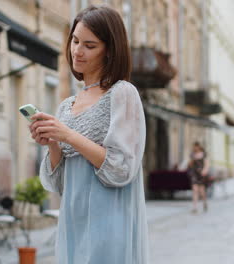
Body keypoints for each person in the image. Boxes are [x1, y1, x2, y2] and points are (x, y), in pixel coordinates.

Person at [30, 5, 148, 264]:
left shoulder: (122, 93)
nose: (77, 51)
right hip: (73, 224)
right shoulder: (66, 105)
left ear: (110, 50)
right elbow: (60, 184)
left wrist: (68, 135)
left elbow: (122, 168)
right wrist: (52, 144)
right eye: (74, 40)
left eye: (89, 45)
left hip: (108, 221)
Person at [187, 142, 210, 214]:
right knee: (195, 190)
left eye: (196, 146)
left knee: (202, 191)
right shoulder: (192, 155)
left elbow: (207, 164)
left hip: (201, 174)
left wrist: (205, 171)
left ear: (199, 147)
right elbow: (189, 164)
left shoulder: (203, 154)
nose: (195, 148)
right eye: (194, 147)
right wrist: (192, 160)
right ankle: (195, 207)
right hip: (194, 174)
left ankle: (204, 202)